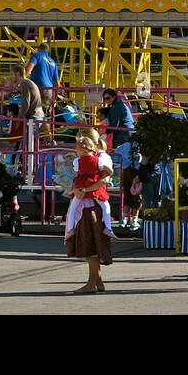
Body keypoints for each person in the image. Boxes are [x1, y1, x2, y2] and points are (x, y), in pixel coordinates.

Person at [65, 126, 113, 294]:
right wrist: (77, 189)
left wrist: (84, 190)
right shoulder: (86, 159)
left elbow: (104, 180)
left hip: (91, 204)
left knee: (90, 244)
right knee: (89, 242)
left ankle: (92, 283)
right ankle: (97, 281)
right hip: (85, 202)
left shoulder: (102, 158)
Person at [64, 132, 116, 240]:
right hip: (90, 190)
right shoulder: (98, 160)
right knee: (105, 205)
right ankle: (109, 228)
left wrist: (83, 189)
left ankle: (70, 229)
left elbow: (103, 180)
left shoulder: (82, 160)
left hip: (87, 196)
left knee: (75, 207)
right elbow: (107, 172)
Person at [8, 63, 44, 173]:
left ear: (18, 74)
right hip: (38, 117)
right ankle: (31, 171)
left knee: (26, 147)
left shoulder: (24, 84)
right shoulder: (29, 83)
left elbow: (26, 104)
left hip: (33, 118)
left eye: (13, 75)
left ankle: (26, 172)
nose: (12, 77)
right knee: (31, 147)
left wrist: (19, 120)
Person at [27, 42, 60, 141]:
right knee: (45, 116)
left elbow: (29, 68)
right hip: (49, 91)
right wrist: (55, 97)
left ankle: (36, 140)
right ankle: (48, 140)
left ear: (39, 49)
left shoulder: (36, 55)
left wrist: (22, 80)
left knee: (34, 114)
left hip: (37, 89)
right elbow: (57, 83)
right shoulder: (53, 62)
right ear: (48, 51)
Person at [100, 88, 135, 168]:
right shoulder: (118, 105)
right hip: (126, 132)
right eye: (104, 99)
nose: (106, 100)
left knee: (119, 156)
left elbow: (114, 125)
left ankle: (119, 173)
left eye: (108, 98)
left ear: (114, 97)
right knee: (125, 156)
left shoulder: (117, 107)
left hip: (122, 134)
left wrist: (104, 132)